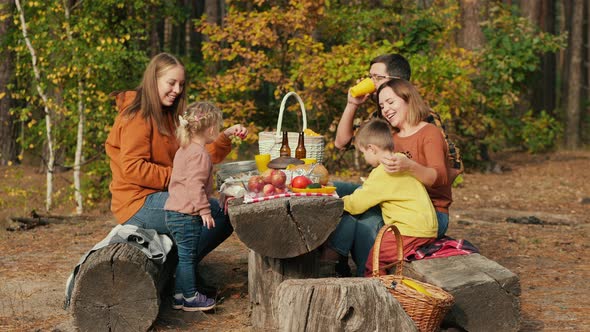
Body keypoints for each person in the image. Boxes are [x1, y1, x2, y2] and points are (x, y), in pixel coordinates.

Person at [105, 52, 247, 291]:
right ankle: (181, 274)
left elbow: (195, 157)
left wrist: (224, 137)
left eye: (181, 84)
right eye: (171, 83)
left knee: (223, 210)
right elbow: (132, 169)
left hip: (161, 195)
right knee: (219, 212)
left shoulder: (168, 115)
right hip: (137, 202)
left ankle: (178, 270)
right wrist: (180, 178)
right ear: (154, 80)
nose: (177, 89)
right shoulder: (138, 116)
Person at [324, 119, 438, 277]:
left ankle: (374, 286)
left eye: (363, 153)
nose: (364, 157)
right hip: (425, 227)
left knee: (375, 260)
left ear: (371, 149)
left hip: (409, 230)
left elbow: (358, 203)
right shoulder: (400, 162)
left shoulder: (383, 172)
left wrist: (337, 204)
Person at [164, 101, 223, 312]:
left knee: (184, 255)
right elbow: (194, 184)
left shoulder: (185, 149)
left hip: (174, 212)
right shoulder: (200, 154)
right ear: (211, 129)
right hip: (186, 214)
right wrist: (205, 210)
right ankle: (190, 296)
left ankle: (180, 295)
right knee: (188, 257)